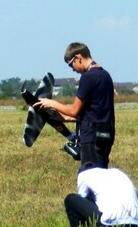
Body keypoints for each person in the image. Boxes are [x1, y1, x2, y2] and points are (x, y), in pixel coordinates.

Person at [36, 42, 115, 170]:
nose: (72, 69)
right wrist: (62, 118)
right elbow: (95, 111)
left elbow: (74, 111)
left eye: (70, 64)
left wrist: (52, 103)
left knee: (91, 178)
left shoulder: (88, 77)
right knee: (102, 174)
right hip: (105, 135)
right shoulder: (105, 75)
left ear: (78, 57)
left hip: (91, 138)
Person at [64, 166, 138, 227]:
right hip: (136, 225)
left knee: (70, 199)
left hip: (109, 225)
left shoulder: (84, 174)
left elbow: (82, 201)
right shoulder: (118, 173)